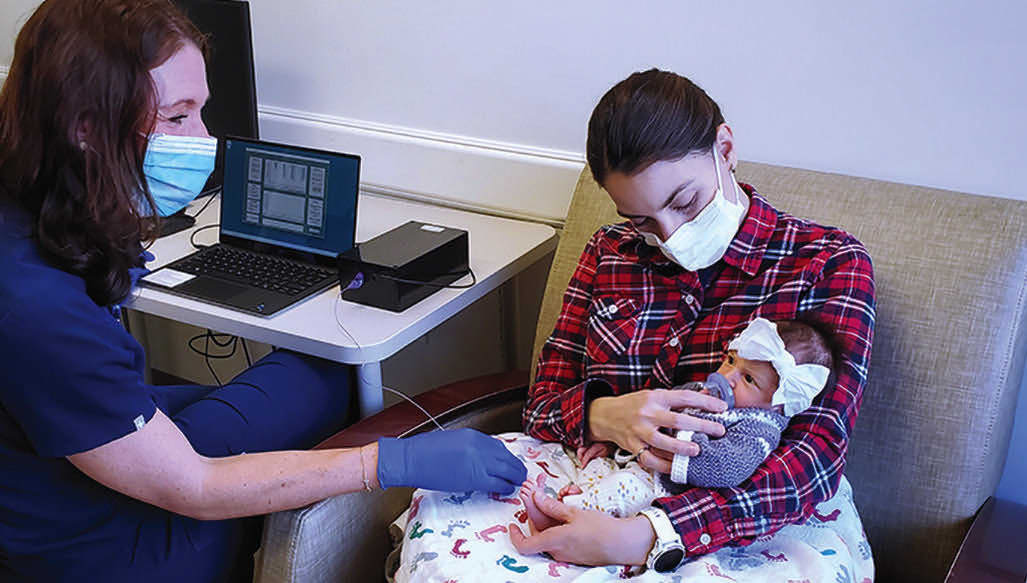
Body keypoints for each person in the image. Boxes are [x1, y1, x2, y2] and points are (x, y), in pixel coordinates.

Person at [0, 2, 525, 581]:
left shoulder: (30, 207)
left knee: (324, 374)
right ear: (84, 128)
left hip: (90, 456)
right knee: (303, 421)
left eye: (201, 111)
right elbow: (196, 487)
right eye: (177, 117)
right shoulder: (36, 305)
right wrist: (387, 462)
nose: (204, 140)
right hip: (98, 543)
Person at [391, 69, 875, 581]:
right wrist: (604, 415)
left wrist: (645, 535)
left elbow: (815, 458)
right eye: (640, 220)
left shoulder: (827, 264)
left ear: (725, 149)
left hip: (743, 513)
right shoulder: (607, 253)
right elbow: (543, 403)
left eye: (684, 202)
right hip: (599, 475)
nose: (670, 234)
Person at [520, 317, 834, 525]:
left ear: (780, 403)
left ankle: (564, 515)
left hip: (667, 488)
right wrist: (617, 440)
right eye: (730, 360)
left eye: (749, 379)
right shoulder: (701, 391)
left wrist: (680, 441)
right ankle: (577, 494)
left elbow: (729, 466)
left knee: (623, 488)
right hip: (638, 462)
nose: (728, 376)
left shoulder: (759, 428)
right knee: (600, 465)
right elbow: (654, 414)